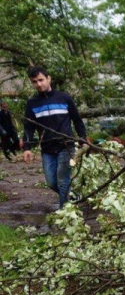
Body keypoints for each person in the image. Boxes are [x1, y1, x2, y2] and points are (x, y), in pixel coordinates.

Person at [22, 66, 87, 208]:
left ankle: (65, 212)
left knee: (63, 180)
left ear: (48, 78)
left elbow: (77, 119)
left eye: (41, 80)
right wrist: (27, 148)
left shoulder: (64, 97)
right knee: (51, 182)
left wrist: (83, 138)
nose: (39, 84)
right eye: (35, 82)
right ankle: (73, 196)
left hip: (66, 146)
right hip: (47, 149)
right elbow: (29, 127)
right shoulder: (32, 103)